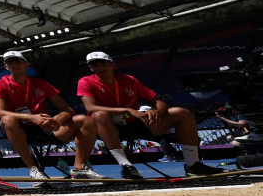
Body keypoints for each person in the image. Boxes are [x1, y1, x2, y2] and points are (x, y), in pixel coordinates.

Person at [77, 51, 220, 178]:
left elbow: (159, 101)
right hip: (107, 127)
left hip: (135, 123)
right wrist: (128, 110)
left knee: (182, 113)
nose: (100, 68)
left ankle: (193, 165)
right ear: (91, 68)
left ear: (113, 65)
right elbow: (90, 107)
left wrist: (155, 111)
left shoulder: (129, 80)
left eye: (104, 64)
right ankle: (127, 166)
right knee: (99, 115)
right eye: (95, 65)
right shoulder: (86, 81)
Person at [0, 50, 103, 186]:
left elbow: (67, 110)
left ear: (26, 64)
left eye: (18, 61)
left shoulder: (41, 84)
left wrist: (58, 119)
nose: (15, 64)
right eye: (10, 62)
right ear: (6, 67)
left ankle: (80, 169)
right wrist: (31, 117)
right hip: (19, 130)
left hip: (45, 127)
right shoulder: (0, 85)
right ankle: (34, 170)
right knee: (7, 119)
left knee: (86, 120)